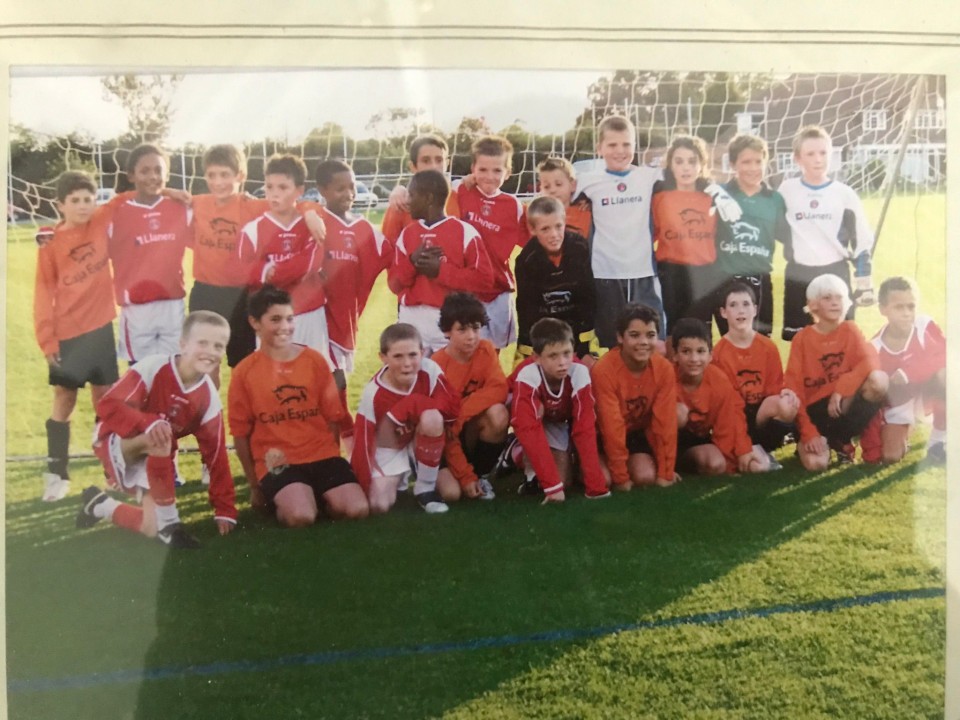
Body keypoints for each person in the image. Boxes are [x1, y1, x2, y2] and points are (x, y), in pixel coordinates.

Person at [574, 115, 742, 348]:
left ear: (635, 146)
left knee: (655, 341)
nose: (620, 151)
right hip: (605, 273)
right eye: (612, 145)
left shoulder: (649, 176)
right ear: (599, 148)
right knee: (613, 343)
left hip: (644, 271)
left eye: (626, 144)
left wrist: (717, 191)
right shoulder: (586, 182)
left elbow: (691, 175)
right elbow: (560, 194)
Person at [76, 311, 237, 549]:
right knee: (160, 436)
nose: (210, 351)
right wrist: (147, 422)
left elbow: (216, 455)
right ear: (183, 344)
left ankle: (100, 505)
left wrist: (225, 509)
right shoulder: (154, 367)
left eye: (218, 346)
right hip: (115, 438)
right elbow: (108, 405)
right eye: (202, 343)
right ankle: (171, 526)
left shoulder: (208, 398)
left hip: (156, 454)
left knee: (150, 527)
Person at [228, 286, 369, 527]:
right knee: (300, 516)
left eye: (289, 319)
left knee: (358, 509)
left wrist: (332, 459)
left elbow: (333, 417)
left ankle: (316, 495)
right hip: (278, 461)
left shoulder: (314, 360)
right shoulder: (245, 372)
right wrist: (254, 486)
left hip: (320, 454)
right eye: (275, 320)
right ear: (254, 322)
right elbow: (240, 434)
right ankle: (295, 499)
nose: (285, 327)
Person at [189, 144, 325, 375]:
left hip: (240, 295)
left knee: (242, 363)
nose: (218, 182)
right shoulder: (197, 204)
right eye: (212, 175)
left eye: (225, 175)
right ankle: (209, 401)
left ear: (240, 176)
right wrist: (173, 193)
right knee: (204, 363)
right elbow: (167, 198)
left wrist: (311, 210)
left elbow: (291, 202)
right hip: (205, 292)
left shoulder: (254, 207)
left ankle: (240, 399)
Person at [34, 171, 120, 501]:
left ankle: (112, 469)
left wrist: (171, 191)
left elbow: (125, 198)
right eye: (75, 201)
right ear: (61, 205)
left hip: (100, 329)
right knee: (64, 399)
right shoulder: (50, 243)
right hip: (67, 333)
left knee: (106, 399)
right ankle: (57, 474)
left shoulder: (99, 223)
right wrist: (47, 340)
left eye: (88, 199)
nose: (84, 206)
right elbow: (43, 295)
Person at [778, 126, 875, 341]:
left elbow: (861, 240)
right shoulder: (786, 190)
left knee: (840, 340)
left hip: (835, 273)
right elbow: (773, 225)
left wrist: (864, 283)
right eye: (810, 154)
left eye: (823, 153)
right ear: (797, 158)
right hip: (798, 275)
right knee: (801, 341)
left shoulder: (844, 194)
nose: (818, 159)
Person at [352, 323, 460, 514]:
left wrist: (411, 405)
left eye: (412, 355)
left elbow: (451, 411)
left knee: (451, 492)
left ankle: (425, 488)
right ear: (383, 358)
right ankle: (402, 475)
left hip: (422, 439)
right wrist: (361, 485)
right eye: (398, 356)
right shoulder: (373, 394)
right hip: (390, 449)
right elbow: (363, 441)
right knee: (378, 505)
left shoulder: (430, 370)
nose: (407, 363)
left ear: (422, 353)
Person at [784, 274, 888, 469]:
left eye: (839, 297)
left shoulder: (850, 329)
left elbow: (871, 360)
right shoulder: (802, 339)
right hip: (814, 414)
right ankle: (819, 441)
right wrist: (808, 432)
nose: (834, 303)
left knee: (879, 380)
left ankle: (841, 439)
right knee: (816, 465)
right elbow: (793, 389)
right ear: (813, 305)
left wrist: (841, 388)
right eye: (827, 298)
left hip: (840, 404)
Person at [387, 169, 493, 355]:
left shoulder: (465, 232)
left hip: (449, 321)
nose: (408, 201)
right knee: (412, 373)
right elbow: (394, 285)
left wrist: (440, 271)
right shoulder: (407, 234)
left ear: (428, 198)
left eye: (412, 195)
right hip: (412, 319)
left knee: (448, 373)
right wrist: (412, 263)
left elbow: (484, 280)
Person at [508, 318, 611, 502]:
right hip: (534, 420)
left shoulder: (579, 372)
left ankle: (571, 459)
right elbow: (527, 427)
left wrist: (596, 488)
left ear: (574, 350)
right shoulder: (527, 373)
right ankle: (516, 451)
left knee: (590, 479)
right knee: (558, 484)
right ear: (536, 357)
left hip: (562, 419)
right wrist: (552, 488)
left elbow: (585, 428)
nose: (562, 362)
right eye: (553, 356)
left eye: (566, 353)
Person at [107, 143, 193, 364]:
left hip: (172, 305)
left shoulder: (181, 209)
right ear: (131, 175)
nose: (153, 176)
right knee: (140, 372)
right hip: (136, 309)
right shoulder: (116, 213)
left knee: (174, 369)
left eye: (158, 170)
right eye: (144, 171)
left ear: (167, 174)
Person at [237, 154, 329, 360]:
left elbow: (309, 265)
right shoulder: (253, 230)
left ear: (299, 190)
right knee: (273, 375)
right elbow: (243, 271)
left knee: (314, 371)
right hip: (271, 317)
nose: (274, 194)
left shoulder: (312, 225)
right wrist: (266, 271)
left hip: (309, 313)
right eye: (269, 187)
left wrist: (270, 271)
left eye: (283, 187)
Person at [315, 159, 392, 385]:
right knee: (326, 381)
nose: (349, 194)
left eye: (352, 187)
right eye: (340, 189)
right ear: (323, 190)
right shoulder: (315, 221)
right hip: (315, 318)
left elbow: (394, 255)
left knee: (337, 381)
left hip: (346, 318)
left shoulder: (364, 228)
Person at [452, 135, 528, 350]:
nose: (489, 176)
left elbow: (532, 242)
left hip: (498, 292)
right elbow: (433, 186)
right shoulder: (460, 192)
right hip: (466, 291)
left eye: (497, 171)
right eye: (483, 170)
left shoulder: (514, 206)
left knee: (492, 353)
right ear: (472, 169)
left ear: (508, 173)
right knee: (465, 352)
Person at [591, 304, 679, 489]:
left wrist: (666, 473)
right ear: (620, 337)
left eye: (650, 335)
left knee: (645, 476)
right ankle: (583, 462)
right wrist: (621, 478)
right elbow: (611, 427)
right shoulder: (604, 370)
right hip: (600, 435)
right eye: (634, 335)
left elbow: (665, 424)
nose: (643, 342)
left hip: (633, 433)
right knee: (604, 480)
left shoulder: (663, 368)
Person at [860, 277, 946, 465]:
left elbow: (944, 355)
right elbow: (874, 404)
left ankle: (938, 441)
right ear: (883, 309)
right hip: (900, 403)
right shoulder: (874, 347)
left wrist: (909, 373)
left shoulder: (923, 325)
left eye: (911, 306)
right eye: (899, 307)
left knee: (947, 375)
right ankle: (907, 429)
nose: (907, 313)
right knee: (890, 456)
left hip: (928, 395)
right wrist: (871, 451)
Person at [432, 293, 509, 501]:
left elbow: (499, 388)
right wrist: (465, 476)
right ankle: (458, 475)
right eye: (462, 329)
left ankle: (481, 475)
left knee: (498, 413)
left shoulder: (486, 350)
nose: (471, 336)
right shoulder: (437, 366)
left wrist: (461, 412)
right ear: (447, 331)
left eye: (476, 328)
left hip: (464, 428)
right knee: (452, 494)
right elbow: (446, 430)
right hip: (444, 442)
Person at [672, 317, 772, 475]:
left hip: (697, 442)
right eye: (686, 352)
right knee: (679, 413)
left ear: (710, 355)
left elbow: (729, 420)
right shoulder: (667, 378)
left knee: (716, 464)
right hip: (668, 440)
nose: (694, 359)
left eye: (700, 351)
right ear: (675, 355)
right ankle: (667, 464)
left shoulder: (718, 379)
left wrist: (739, 455)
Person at [714, 134, 790, 337]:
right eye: (746, 162)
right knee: (731, 342)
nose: (753, 168)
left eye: (758, 161)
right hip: (725, 279)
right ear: (733, 164)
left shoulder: (775, 200)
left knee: (761, 342)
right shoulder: (720, 195)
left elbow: (788, 236)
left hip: (760, 280)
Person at [652, 135, 726, 342]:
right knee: (672, 333)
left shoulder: (712, 197)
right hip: (671, 273)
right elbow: (650, 235)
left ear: (702, 165)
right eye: (679, 161)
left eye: (692, 161)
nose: (686, 168)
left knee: (699, 335)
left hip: (703, 275)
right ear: (670, 165)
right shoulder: (660, 198)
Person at [712, 282, 798, 459]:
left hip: (760, 415)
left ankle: (766, 447)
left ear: (755, 309)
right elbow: (727, 404)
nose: (741, 311)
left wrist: (784, 395)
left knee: (787, 403)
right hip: (735, 417)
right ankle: (746, 449)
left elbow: (774, 389)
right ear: (723, 312)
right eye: (733, 305)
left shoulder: (768, 347)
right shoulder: (719, 353)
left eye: (746, 304)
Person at [514, 195, 596, 367]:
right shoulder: (526, 260)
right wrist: (529, 351)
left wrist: (583, 349)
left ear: (565, 222)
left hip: (574, 325)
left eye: (558, 226)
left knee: (588, 369)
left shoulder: (579, 247)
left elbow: (587, 298)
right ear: (532, 229)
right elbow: (526, 309)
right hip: (546, 328)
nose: (554, 235)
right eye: (545, 229)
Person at [381, 134, 455, 243]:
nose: (434, 166)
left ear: (447, 164)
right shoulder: (401, 204)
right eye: (426, 161)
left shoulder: (458, 197)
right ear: (413, 167)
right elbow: (387, 250)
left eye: (439, 160)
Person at [536, 156, 591, 240]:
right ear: (541, 188)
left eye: (558, 184)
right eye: (547, 187)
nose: (552, 190)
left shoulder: (586, 213)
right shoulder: (534, 216)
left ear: (573, 185)